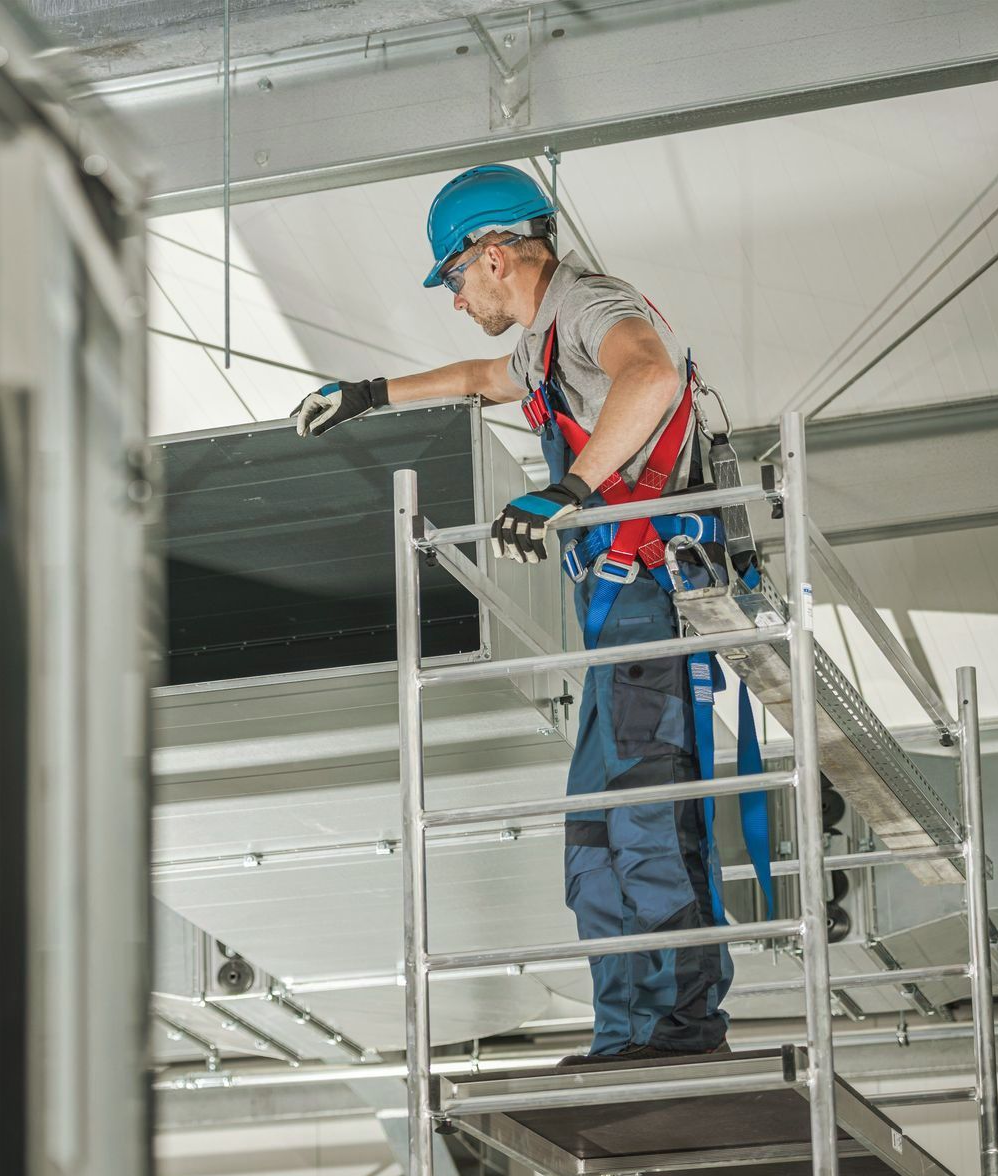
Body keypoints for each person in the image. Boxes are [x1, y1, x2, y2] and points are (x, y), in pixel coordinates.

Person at [292, 164, 732, 1064]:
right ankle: (628, 1030)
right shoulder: (544, 341)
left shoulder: (595, 306)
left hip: (647, 594)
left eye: (453, 278)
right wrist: (371, 393)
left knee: (646, 814)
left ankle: (682, 1029)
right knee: (596, 830)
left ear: (494, 256)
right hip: (614, 610)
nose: (455, 299)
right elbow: (486, 378)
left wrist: (565, 490)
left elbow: (648, 375)